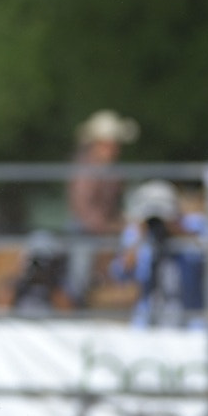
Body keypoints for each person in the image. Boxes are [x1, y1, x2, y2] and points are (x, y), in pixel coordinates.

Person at [66, 110, 137, 303]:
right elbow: (84, 211)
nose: (115, 149)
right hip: (87, 230)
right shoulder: (85, 171)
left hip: (109, 229)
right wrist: (113, 227)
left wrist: (124, 224)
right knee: (79, 269)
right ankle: (75, 300)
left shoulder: (114, 172)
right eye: (110, 144)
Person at [115, 179, 207, 328]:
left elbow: (207, 257)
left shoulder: (195, 225)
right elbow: (121, 273)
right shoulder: (135, 234)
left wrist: (176, 231)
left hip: (190, 318)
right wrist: (140, 239)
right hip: (148, 318)